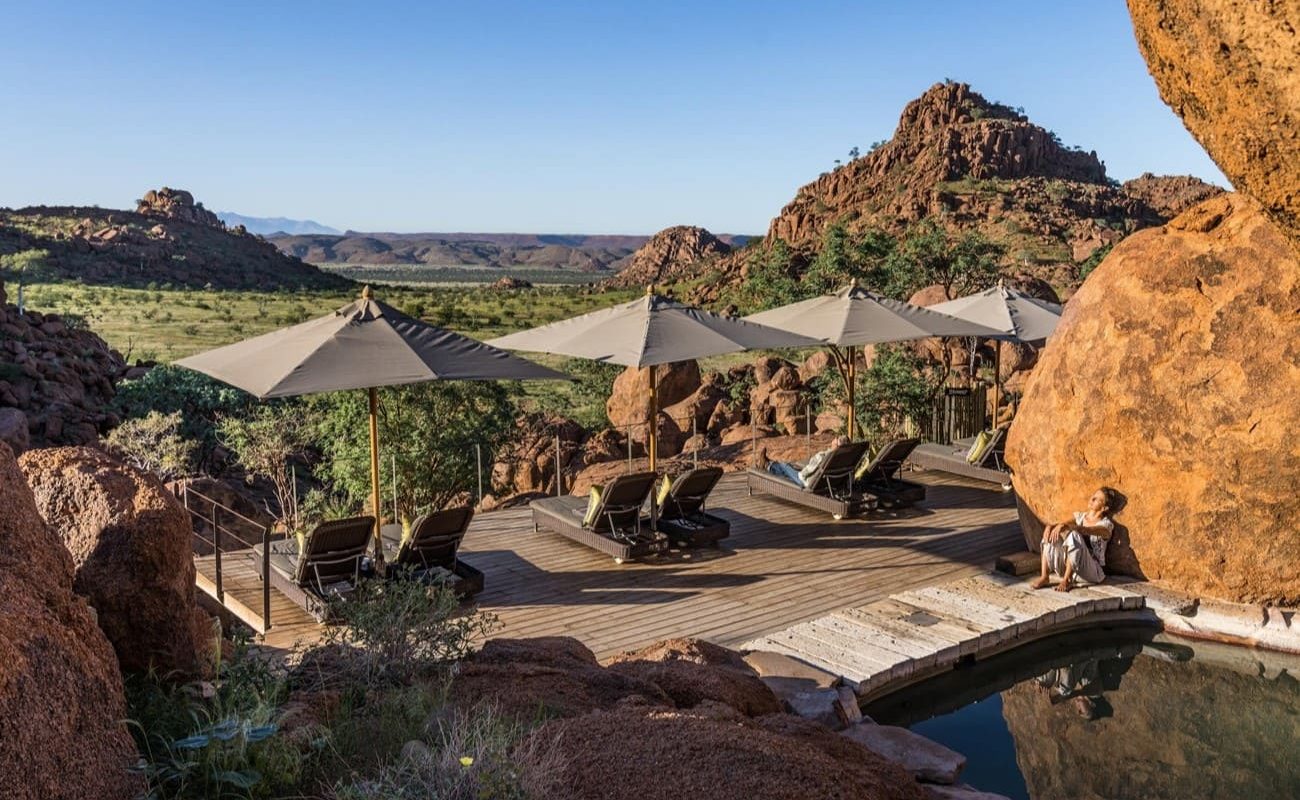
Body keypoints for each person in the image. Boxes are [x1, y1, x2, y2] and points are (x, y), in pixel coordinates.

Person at [1031, 487, 1117, 592]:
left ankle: (1067, 580)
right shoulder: (1080, 517)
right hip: (1071, 568)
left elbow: (1086, 530)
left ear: (1104, 508)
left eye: (1097, 499)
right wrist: (1050, 527)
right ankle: (1044, 576)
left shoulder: (1106, 525)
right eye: (1093, 496)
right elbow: (1062, 525)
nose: (1092, 499)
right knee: (1051, 534)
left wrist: (1067, 527)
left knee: (1074, 535)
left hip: (1091, 572)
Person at [763, 435, 849, 488]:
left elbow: (811, 468)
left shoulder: (826, 456)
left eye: (836, 438)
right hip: (825, 482)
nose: (834, 438)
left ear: (836, 444)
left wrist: (801, 474)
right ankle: (770, 467)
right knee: (787, 472)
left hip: (806, 481)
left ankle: (767, 465)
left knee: (785, 465)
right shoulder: (842, 457)